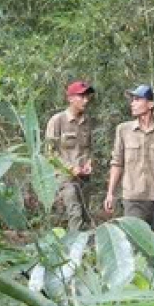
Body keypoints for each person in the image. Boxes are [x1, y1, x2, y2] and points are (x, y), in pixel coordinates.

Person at [104, 84, 154, 232]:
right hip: (133, 196)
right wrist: (110, 193)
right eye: (132, 100)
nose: (133, 103)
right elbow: (117, 162)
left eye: (137, 99)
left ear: (150, 104)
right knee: (134, 240)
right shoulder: (123, 130)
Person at [45, 80, 95, 230]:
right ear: (71, 98)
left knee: (85, 215)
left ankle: (84, 249)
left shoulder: (87, 122)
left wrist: (89, 164)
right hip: (65, 178)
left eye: (87, 97)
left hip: (84, 179)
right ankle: (74, 250)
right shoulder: (57, 121)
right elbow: (49, 153)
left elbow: (89, 149)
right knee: (75, 213)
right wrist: (70, 168)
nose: (85, 100)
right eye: (81, 96)